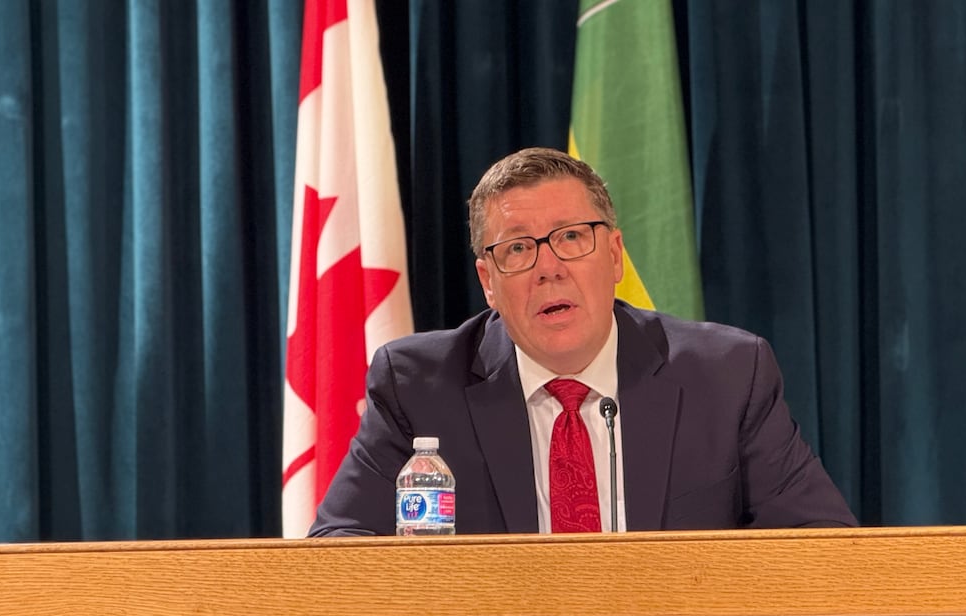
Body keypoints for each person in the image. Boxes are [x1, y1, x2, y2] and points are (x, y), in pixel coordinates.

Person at [309, 147, 856, 535]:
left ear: (614, 255)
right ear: (488, 282)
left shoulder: (728, 374)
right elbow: (340, 549)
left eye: (571, 237)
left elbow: (819, 545)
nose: (549, 268)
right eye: (518, 249)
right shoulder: (419, 387)